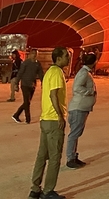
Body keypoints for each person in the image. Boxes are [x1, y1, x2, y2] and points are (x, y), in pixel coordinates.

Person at [29, 46, 70, 199]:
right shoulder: (57, 73)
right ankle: (48, 191)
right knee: (54, 157)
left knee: (42, 155)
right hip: (53, 120)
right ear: (58, 58)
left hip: (45, 119)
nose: (68, 58)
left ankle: (35, 188)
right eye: (66, 56)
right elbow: (53, 95)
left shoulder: (48, 72)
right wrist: (60, 116)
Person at [65, 52, 97, 169]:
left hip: (81, 107)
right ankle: (70, 158)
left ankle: (73, 155)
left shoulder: (84, 72)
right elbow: (77, 87)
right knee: (74, 134)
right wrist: (90, 91)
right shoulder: (84, 73)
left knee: (76, 133)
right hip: (78, 108)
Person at [13, 49, 44, 124]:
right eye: (33, 53)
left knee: (27, 102)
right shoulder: (26, 63)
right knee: (27, 102)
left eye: (36, 54)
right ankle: (28, 119)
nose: (34, 55)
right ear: (30, 54)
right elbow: (20, 73)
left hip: (32, 85)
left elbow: (41, 74)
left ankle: (16, 115)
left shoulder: (37, 64)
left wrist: (44, 82)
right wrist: (16, 84)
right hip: (25, 84)